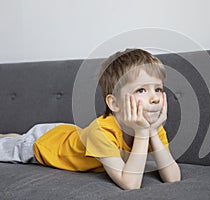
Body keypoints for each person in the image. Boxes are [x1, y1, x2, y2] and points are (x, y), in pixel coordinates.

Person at [0, 49, 181, 190]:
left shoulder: (150, 127)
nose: (155, 98)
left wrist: (153, 133)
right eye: (141, 90)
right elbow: (131, 184)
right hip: (42, 143)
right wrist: (143, 134)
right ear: (114, 103)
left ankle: (11, 135)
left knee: (18, 136)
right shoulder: (101, 132)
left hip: (68, 133)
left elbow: (173, 178)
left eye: (158, 89)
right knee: (17, 143)